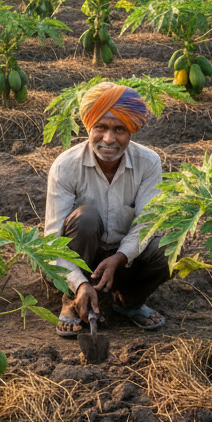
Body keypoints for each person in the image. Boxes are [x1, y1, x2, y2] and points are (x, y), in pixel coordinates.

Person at [44, 81, 170, 336]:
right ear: (89, 127)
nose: (109, 139)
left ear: (131, 131)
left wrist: (120, 258)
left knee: (169, 245)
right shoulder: (66, 166)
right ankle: (72, 299)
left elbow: (147, 223)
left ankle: (128, 302)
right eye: (100, 128)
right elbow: (51, 242)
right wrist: (79, 283)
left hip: (124, 261)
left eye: (119, 129)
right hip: (83, 258)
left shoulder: (148, 163)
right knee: (86, 218)